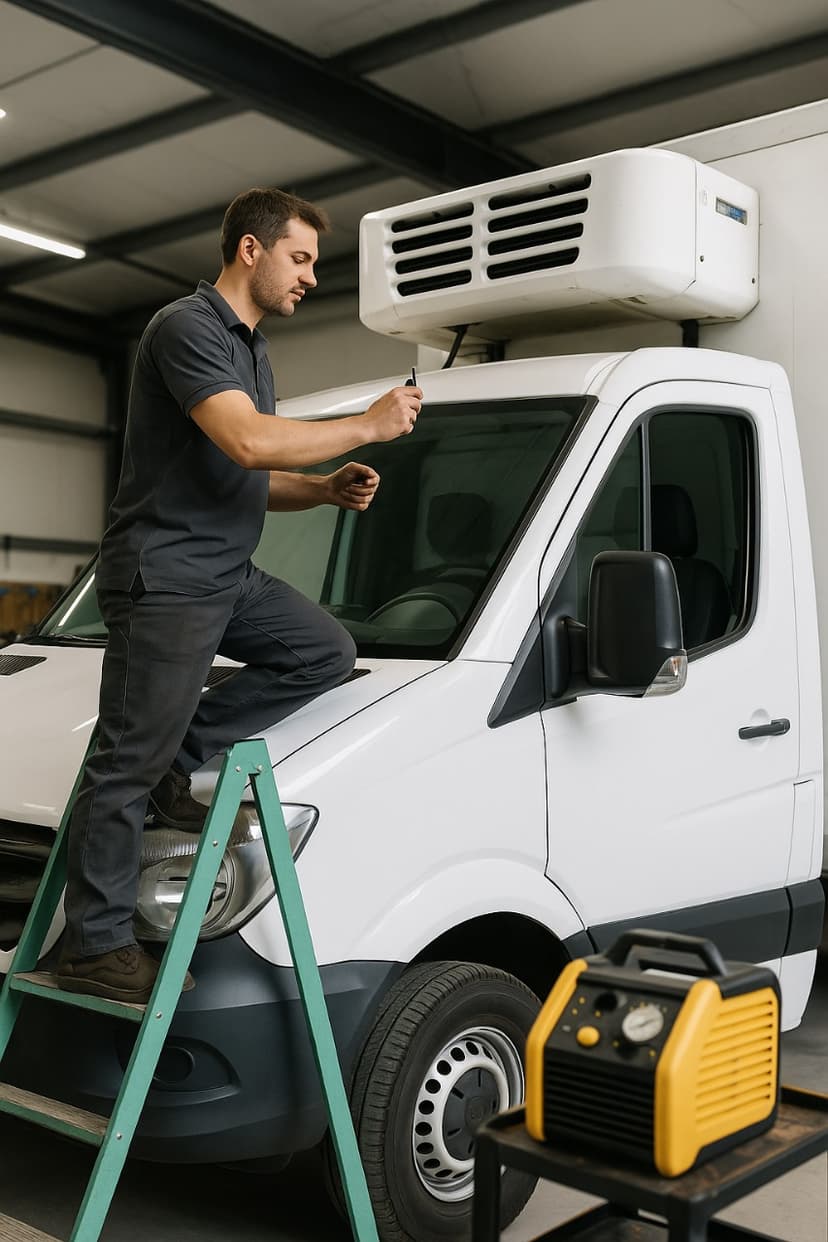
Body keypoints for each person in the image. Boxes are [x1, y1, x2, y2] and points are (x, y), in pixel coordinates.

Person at [56, 187, 422, 1003]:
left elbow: (249, 469)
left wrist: (322, 488)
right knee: (124, 763)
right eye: (300, 259)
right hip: (170, 575)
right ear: (250, 252)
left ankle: (174, 757)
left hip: (226, 573)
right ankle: (95, 942)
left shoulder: (250, 350)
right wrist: (366, 423)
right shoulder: (186, 328)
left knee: (323, 651)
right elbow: (249, 439)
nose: (310, 279)